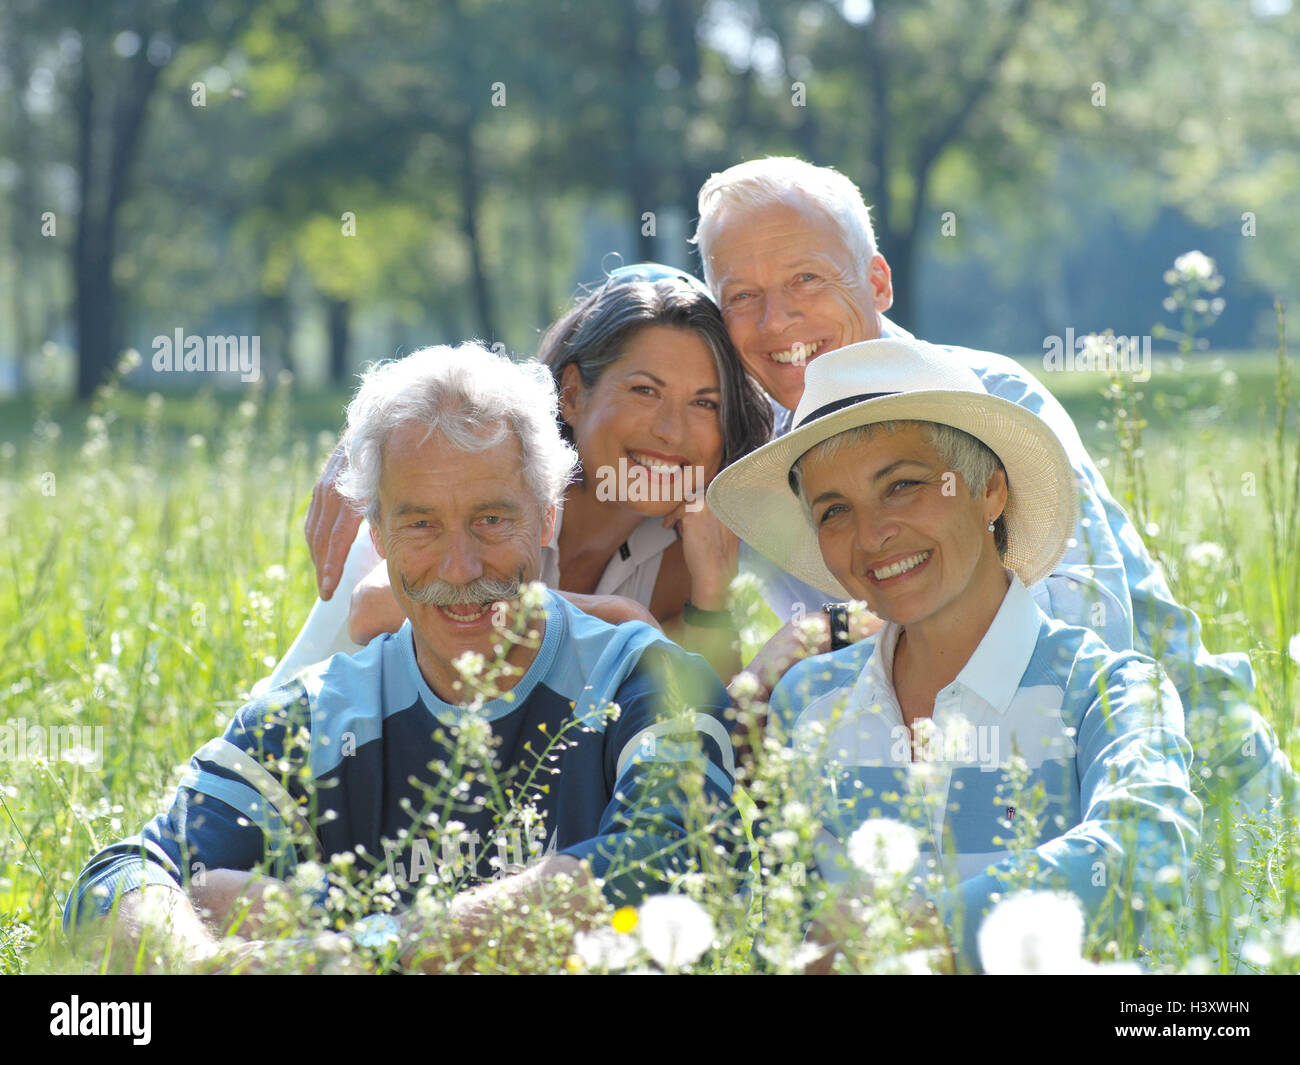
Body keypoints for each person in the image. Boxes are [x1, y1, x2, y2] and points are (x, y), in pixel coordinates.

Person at [690, 158, 1293, 959]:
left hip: (1180, 810)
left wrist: (934, 924)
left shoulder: (989, 408)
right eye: (742, 297)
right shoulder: (766, 448)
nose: (776, 321)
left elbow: (1065, 675)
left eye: (806, 278)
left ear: (878, 279)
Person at [63, 342, 738, 972]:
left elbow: (670, 859)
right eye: (420, 524)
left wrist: (349, 946)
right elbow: (116, 880)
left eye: (492, 519)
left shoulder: (649, 680)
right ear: (378, 534)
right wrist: (207, 965)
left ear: (548, 516)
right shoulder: (318, 711)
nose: (460, 564)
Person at [707, 337, 1202, 973]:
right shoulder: (809, 700)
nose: (871, 534)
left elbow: (1150, 845)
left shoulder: (1109, 689)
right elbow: (790, 927)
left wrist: (931, 933)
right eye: (834, 511)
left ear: (990, 490)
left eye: (903, 485)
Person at [272, 264, 771, 690]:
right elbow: (374, 608)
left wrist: (713, 591)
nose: (672, 432)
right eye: (645, 391)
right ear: (572, 395)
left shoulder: (684, 547)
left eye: (706, 403)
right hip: (297, 761)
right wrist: (619, 619)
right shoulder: (487, 475)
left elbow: (709, 734)